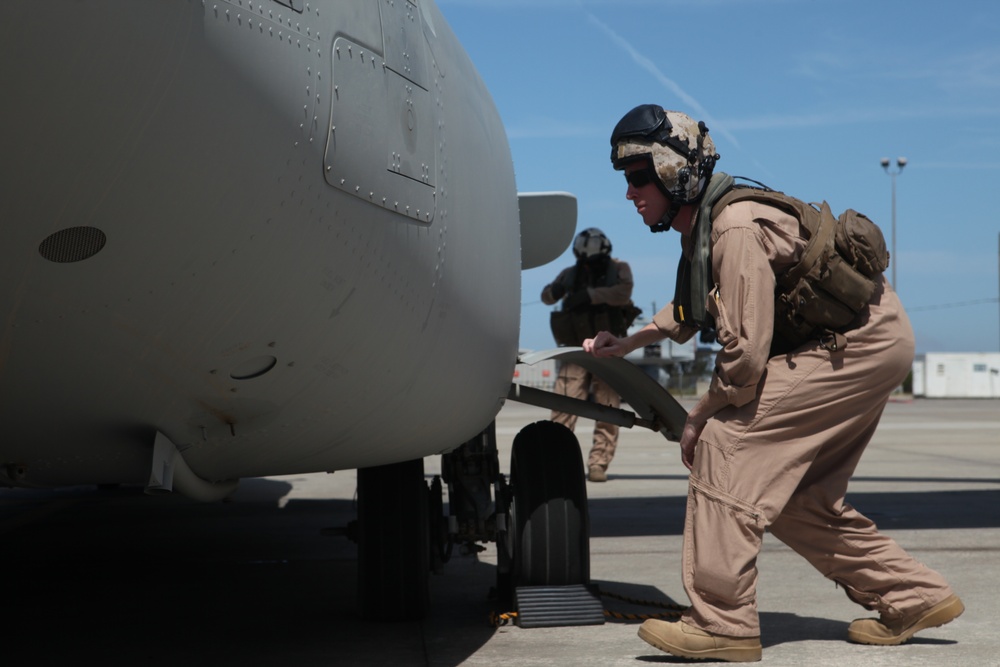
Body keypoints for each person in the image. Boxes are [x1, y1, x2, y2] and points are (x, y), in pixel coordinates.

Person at [583, 104, 962, 662]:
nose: (630, 192)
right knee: (797, 497)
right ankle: (915, 596)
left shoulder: (733, 227)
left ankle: (723, 624)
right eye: (627, 179)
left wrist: (700, 413)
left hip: (857, 345)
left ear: (674, 173)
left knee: (725, 445)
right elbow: (690, 310)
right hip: (877, 339)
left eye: (639, 177)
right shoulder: (709, 229)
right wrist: (629, 342)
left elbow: (744, 360)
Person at [542, 228, 638, 483]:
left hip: (606, 350)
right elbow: (546, 298)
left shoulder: (620, 269)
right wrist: (557, 290)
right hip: (575, 350)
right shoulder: (569, 273)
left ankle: (599, 464)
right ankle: (557, 462)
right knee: (563, 406)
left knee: (607, 409)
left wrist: (591, 296)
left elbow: (623, 293)